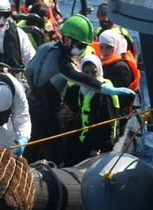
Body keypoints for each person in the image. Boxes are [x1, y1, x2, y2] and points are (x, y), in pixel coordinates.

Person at [23, 14, 135, 165]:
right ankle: (54, 179)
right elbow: (77, 77)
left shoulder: (46, 48)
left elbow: (28, 71)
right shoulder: (62, 61)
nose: (83, 50)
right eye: (82, 46)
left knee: (35, 141)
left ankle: (23, 166)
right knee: (55, 151)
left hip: (34, 102)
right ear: (68, 40)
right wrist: (107, 89)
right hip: (49, 108)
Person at [60, 54, 121, 165]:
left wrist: (98, 147)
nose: (90, 76)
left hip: (99, 144)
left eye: (94, 72)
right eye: (86, 73)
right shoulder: (82, 89)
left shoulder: (104, 94)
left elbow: (107, 123)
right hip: (85, 137)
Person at [97, 30, 141, 134]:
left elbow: (123, 99)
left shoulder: (120, 68)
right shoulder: (105, 62)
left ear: (116, 47)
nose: (104, 51)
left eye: (108, 48)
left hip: (116, 114)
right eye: (101, 47)